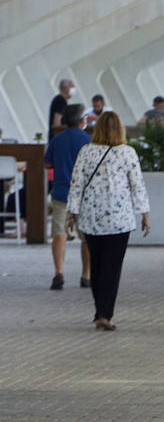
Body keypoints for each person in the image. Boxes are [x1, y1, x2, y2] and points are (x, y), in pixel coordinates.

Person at [64, 111, 149, 331]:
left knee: (97, 265)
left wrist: (70, 214)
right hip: (120, 220)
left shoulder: (86, 152)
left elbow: (76, 184)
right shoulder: (128, 153)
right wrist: (144, 213)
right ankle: (105, 315)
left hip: (91, 218)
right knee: (112, 267)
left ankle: (100, 312)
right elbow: (137, 185)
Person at [43, 103, 91, 290]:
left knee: (59, 234)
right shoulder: (88, 140)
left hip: (61, 193)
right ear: (82, 121)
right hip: (83, 195)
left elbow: (47, 164)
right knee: (86, 237)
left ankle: (59, 272)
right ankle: (85, 276)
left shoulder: (57, 139)